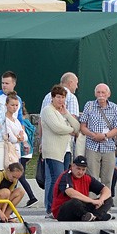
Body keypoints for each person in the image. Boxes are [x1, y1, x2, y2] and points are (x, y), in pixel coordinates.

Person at [0, 71, 38, 207]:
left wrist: (23, 138)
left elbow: (20, 120)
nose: (4, 86)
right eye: (3, 83)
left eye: (7, 83)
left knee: (16, 172)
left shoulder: (18, 100)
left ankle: (10, 203)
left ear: (14, 84)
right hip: (3, 142)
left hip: (15, 145)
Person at [40, 84, 80, 216]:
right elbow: (57, 128)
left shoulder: (62, 112)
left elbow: (77, 125)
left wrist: (67, 114)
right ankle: (50, 207)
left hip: (66, 150)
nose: (60, 100)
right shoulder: (47, 110)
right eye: (58, 97)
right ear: (52, 98)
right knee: (55, 178)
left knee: (62, 179)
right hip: (53, 151)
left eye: (63, 97)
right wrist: (71, 131)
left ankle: (59, 206)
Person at [79, 83, 117, 186]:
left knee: (107, 179)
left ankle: (105, 200)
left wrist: (104, 136)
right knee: (91, 178)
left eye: (103, 92)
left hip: (108, 147)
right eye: (98, 92)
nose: (101, 95)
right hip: (92, 147)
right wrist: (93, 135)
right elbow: (82, 126)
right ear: (95, 94)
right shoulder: (89, 105)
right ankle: (92, 201)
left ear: (108, 94)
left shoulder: (115, 108)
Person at [51, 155, 113, 222]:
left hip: (81, 208)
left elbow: (106, 190)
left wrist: (101, 200)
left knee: (108, 199)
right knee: (74, 201)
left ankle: (95, 216)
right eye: (78, 168)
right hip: (63, 211)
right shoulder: (65, 176)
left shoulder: (87, 178)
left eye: (83, 170)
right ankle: (95, 216)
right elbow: (71, 193)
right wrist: (92, 201)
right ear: (72, 166)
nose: (80, 172)